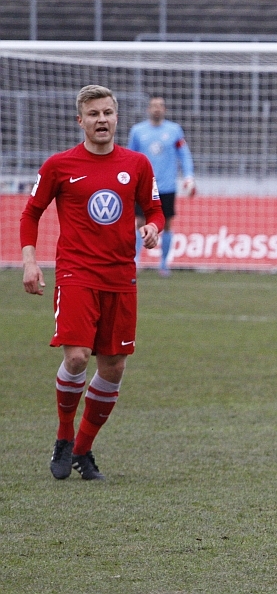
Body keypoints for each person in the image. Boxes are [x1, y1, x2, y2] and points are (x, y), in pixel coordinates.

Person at [21, 84, 163, 481]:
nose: (102, 120)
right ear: (79, 120)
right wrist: (30, 262)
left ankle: (83, 450)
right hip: (76, 273)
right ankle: (64, 436)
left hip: (121, 275)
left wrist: (153, 226)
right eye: (94, 114)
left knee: (114, 366)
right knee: (77, 357)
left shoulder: (136, 164)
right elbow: (30, 213)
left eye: (108, 113)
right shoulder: (59, 165)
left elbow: (154, 209)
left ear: (116, 117)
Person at [128, 96, 194, 277]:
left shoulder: (174, 131)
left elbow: (184, 155)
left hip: (167, 186)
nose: (157, 109)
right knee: (139, 222)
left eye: (160, 106)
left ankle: (164, 264)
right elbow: (129, 157)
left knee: (167, 224)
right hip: (144, 186)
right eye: (153, 106)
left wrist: (189, 176)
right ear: (148, 109)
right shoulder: (137, 131)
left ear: (164, 109)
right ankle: (135, 261)